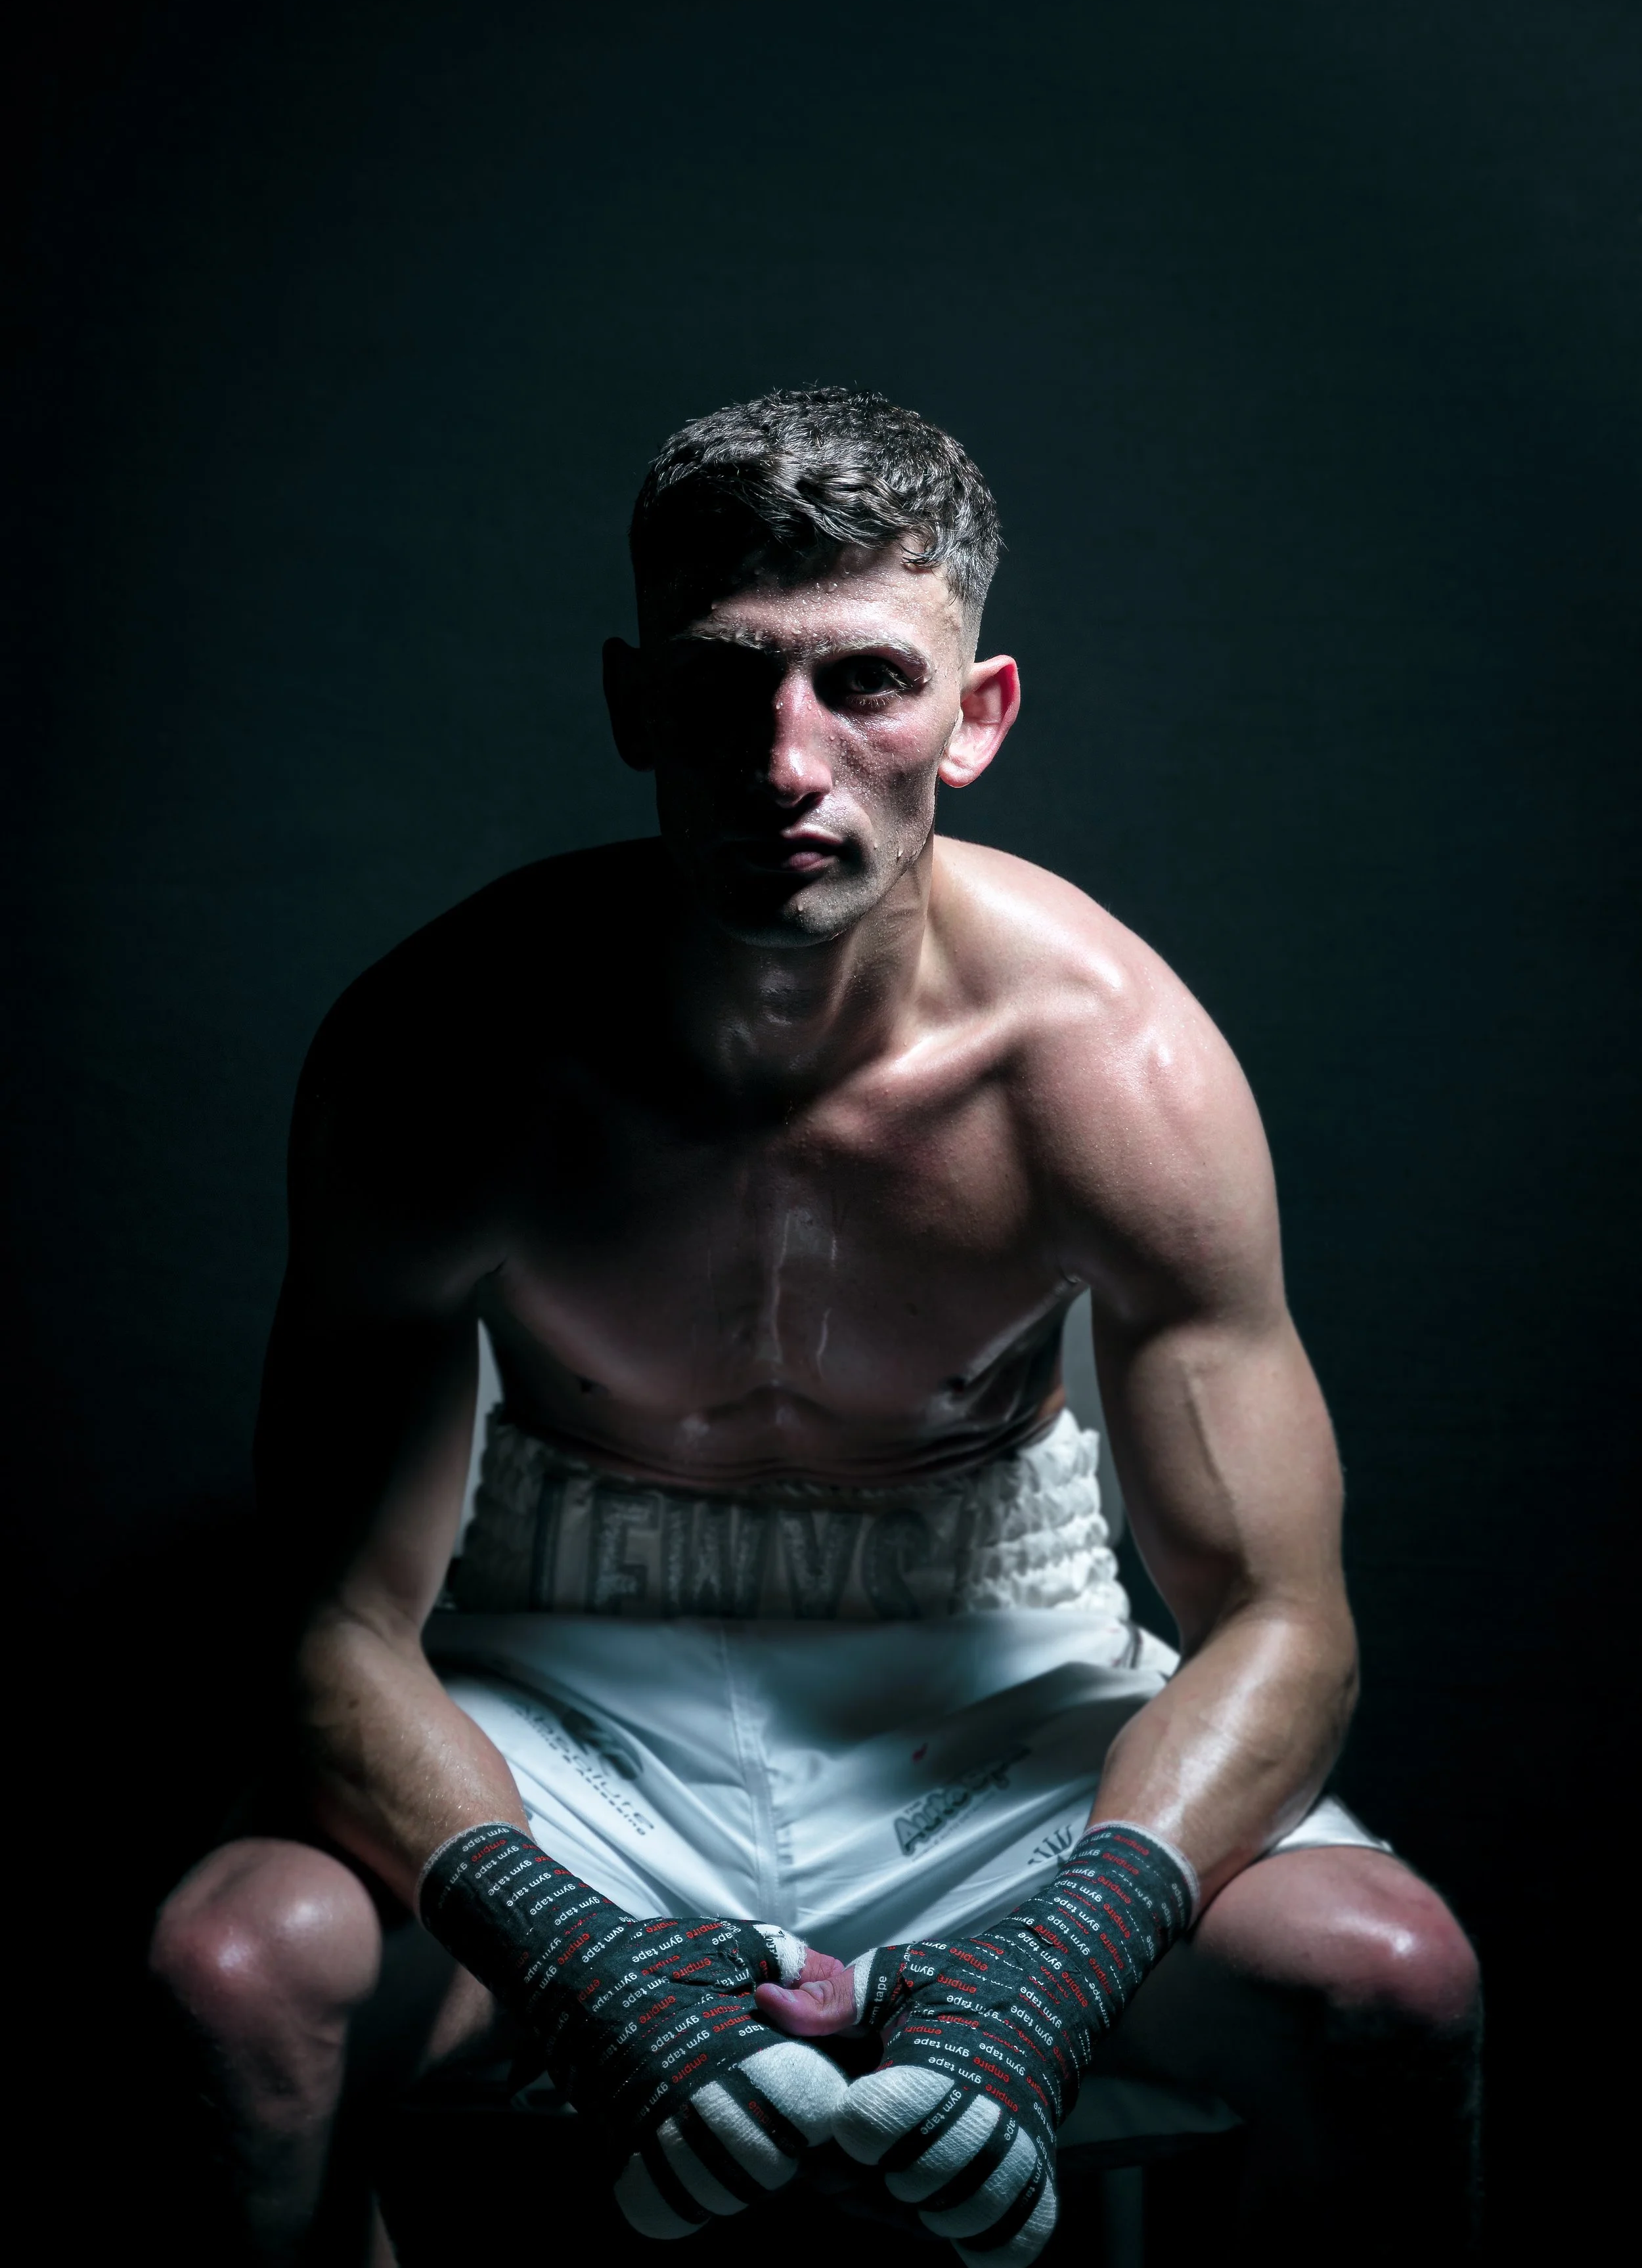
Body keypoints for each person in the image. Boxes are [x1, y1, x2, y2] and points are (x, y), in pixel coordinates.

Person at [150, 388, 1479, 2265]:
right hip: (559, 1701)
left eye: (864, 682)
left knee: (1392, 1980)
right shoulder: (445, 1051)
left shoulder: (1114, 1068)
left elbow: (1282, 1618)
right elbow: (325, 1618)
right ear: (634, 707)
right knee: (229, 1970)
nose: (790, 763)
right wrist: (563, 1948)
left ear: (977, 713)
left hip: (993, 1712)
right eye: (723, 686)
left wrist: (1070, 1947)